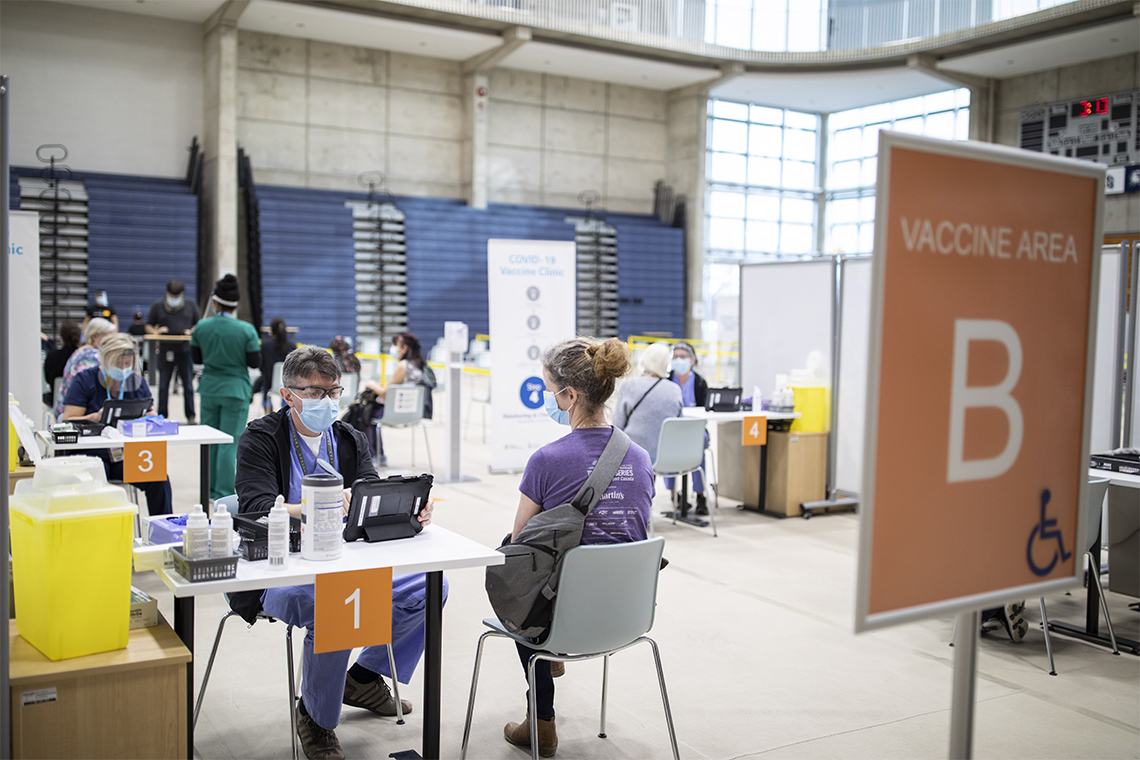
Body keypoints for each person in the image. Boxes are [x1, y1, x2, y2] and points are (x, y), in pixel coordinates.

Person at [233, 346, 446, 760]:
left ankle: (363, 678)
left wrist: (407, 508)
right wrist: (322, 503)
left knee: (431, 587)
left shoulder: (349, 437)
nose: (327, 402)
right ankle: (315, 716)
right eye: (314, 393)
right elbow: (258, 510)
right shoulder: (260, 438)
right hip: (281, 565)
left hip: (347, 560)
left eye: (333, 392)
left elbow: (369, 499)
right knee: (333, 605)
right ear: (287, 395)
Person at [503, 336, 654, 758]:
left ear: (569, 396)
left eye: (550, 390)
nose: (548, 399)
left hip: (565, 613)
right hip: (626, 614)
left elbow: (519, 544)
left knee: (513, 566)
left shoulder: (547, 460)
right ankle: (550, 657)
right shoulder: (640, 458)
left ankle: (542, 720)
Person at [60, 333, 172, 515]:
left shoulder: (136, 382)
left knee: (159, 479)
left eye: (128, 364)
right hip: (91, 456)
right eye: (117, 363)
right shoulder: (84, 380)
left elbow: (151, 412)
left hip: (126, 456)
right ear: (104, 360)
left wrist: (148, 417)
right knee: (95, 482)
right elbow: (68, 419)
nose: (123, 368)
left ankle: (163, 531)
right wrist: (95, 417)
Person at [190, 274, 261, 501]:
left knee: (208, 440)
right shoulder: (246, 330)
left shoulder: (201, 327)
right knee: (229, 441)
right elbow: (254, 362)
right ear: (235, 304)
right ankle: (222, 493)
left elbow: (196, 358)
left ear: (215, 302)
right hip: (235, 390)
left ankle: (207, 489)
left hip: (209, 388)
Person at [362, 332, 434, 465]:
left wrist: (372, 384)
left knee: (367, 415)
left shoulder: (403, 366)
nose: (394, 349)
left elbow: (385, 392)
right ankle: (379, 456)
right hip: (415, 412)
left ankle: (374, 456)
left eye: (396, 345)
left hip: (396, 412)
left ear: (404, 348)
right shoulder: (422, 365)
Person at [612, 342, 683, 464]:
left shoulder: (630, 385)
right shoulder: (675, 389)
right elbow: (680, 425)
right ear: (666, 363)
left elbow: (618, 425)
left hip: (634, 455)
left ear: (644, 359)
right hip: (666, 458)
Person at [147, 280, 201, 423]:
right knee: (163, 385)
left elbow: (199, 324)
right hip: (166, 351)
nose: (174, 300)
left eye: (177, 297)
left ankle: (191, 416)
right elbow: (148, 326)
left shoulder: (190, 305)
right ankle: (162, 415)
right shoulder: (158, 306)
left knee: (188, 384)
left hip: (185, 350)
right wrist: (157, 332)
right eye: (172, 296)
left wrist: (191, 331)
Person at [666, 341, 711, 516]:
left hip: (695, 429)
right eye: (675, 356)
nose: (679, 360)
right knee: (667, 445)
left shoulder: (700, 382)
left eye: (683, 357)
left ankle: (700, 495)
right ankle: (675, 496)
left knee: (702, 442)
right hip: (673, 428)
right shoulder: (667, 381)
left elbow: (706, 408)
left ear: (692, 360)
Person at [54, 317, 117, 421]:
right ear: (95, 336)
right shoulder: (92, 357)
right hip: (76, 413)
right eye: (109, 337)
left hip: (63, 408)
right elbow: (91, 388)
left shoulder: (79, 351)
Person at [259, 317, 296, 412]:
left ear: (271, 330)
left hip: (269, 384)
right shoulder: (292, 346)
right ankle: (286, 410)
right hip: (287, 385)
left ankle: (268, 409)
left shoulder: (265, 345)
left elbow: (260, 365)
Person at [43, 320, 81, 406]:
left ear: (61, 337)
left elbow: (47, 379)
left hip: (55, 397)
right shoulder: (81, 356)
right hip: (78, 399)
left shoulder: (52, 355)